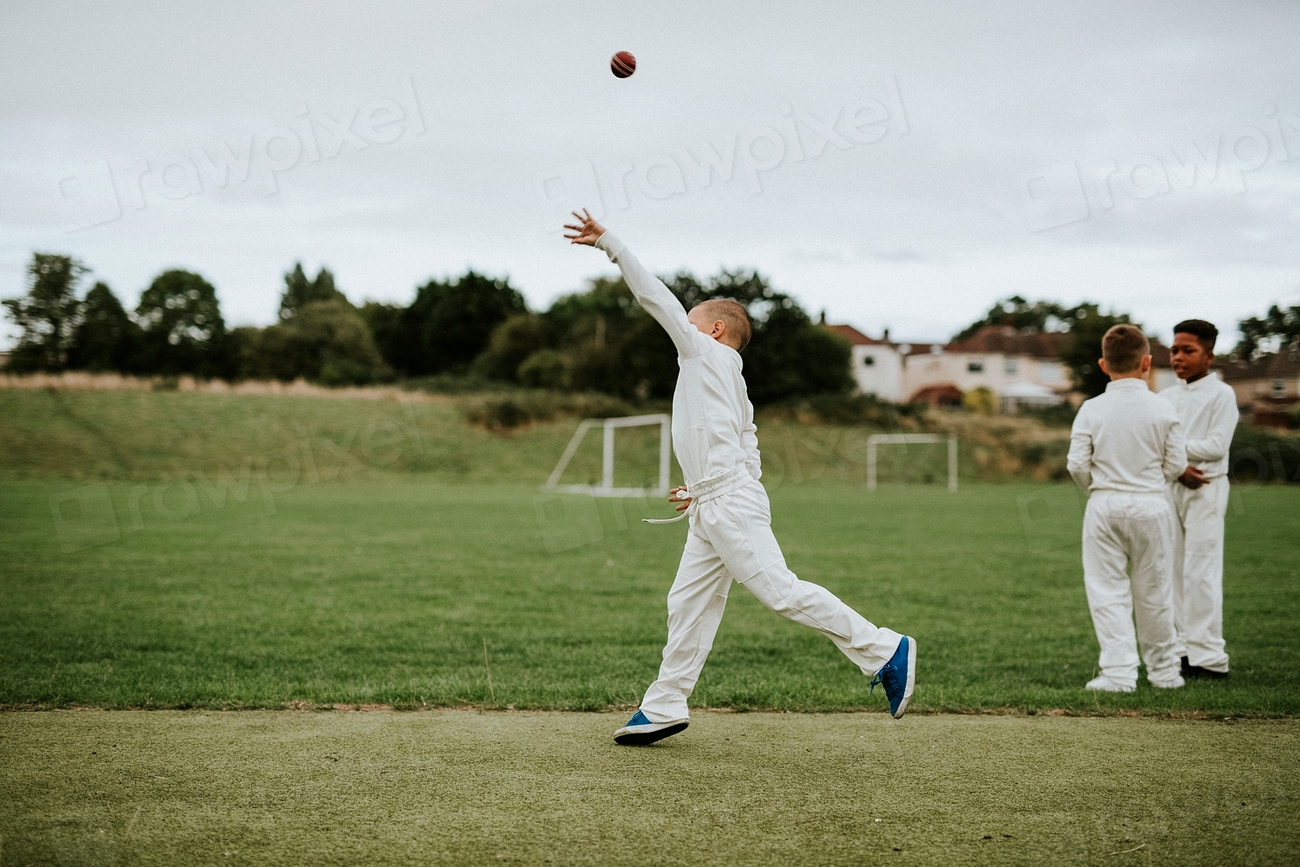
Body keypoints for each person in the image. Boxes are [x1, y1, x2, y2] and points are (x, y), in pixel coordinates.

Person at [564, 210, 914, 745]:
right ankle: (663, 706)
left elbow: (653, 296)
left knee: (781, 593)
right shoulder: (731, 378)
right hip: (718, 502)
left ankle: (884, 649)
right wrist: (702, 486)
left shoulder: (704, 352)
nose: (685, 326)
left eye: (694, 320)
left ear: (716, 330)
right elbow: (745, 444)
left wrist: (611, 243)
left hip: (728, 504)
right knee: (688, 602)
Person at [1067, 324, 1188, 692]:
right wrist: (1154, 484)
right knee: (1156, 591)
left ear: (1104, 364)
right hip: (1152, 503)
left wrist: (1096, 492)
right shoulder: (1163, 408)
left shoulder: (1091, 409)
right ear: (1147, 362)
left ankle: (1119, 674)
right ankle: (1165, 673)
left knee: (1107, 591)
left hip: (1104, 503)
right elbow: (1177, 464)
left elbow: (1076, 464)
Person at [1161, 319, 1238, 680]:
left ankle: (1208, 656)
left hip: (1206, 486)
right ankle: (1181, 650)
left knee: (1201, 570)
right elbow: (1155, 444)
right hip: (1172, 485)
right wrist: (1178, 466)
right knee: (1173, 568)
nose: (1178, 357)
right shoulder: (1165, 396)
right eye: (1175, 350)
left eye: (1187, 350)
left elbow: (1216, 446)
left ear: (1208, 354)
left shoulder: (1221, 395)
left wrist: (1175, 453)